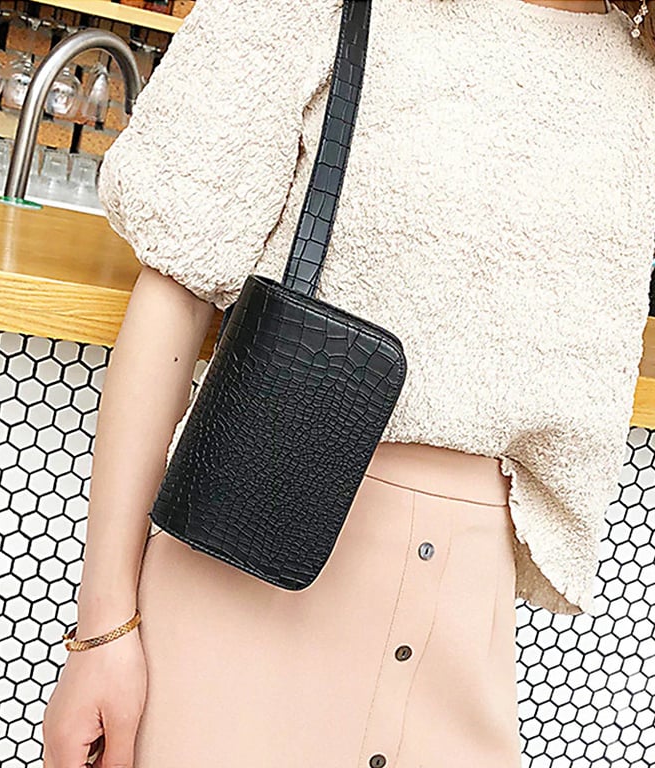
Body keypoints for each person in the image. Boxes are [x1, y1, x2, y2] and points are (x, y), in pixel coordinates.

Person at [40, 0, 655, 766]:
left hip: (461, 638)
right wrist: (103, 632)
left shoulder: (636, 57)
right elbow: (174, 285)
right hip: (240, 590)